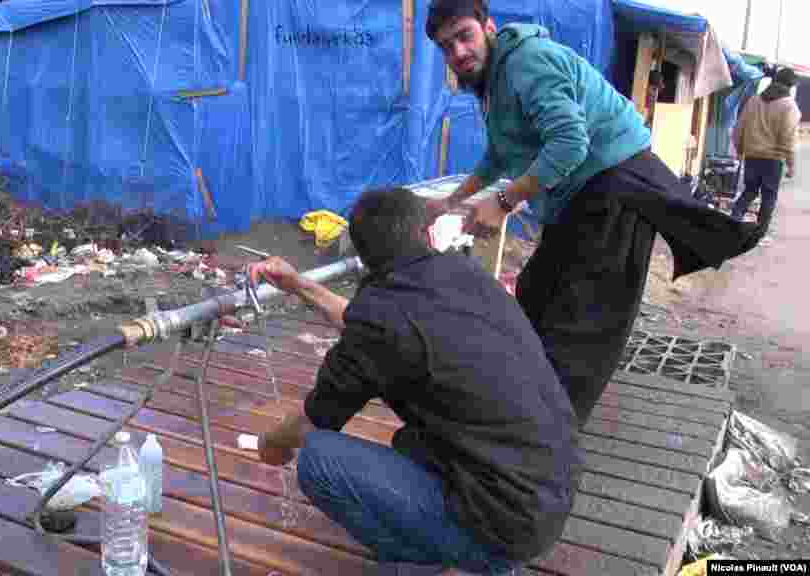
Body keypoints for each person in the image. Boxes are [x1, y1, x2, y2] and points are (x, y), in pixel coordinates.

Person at [422, 0, 763, 423]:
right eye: (445, 46)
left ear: (488, 27)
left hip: (614, 189)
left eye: (464, 36)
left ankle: (546, 442)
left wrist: (505, 201)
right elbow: (499, 154)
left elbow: (569, 144)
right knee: (536, 299)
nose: (457, 53)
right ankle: (519, 409)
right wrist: (451, 202)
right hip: (579, 196)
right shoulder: (493, 82)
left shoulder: (528, 62)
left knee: (580, 329)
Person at [248, 186, 582, 575]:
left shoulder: (383, 316)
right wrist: (299, 284)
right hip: (551, 487)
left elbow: (305, 428)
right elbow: (370, 324)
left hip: (506, 526)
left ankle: (432, 563)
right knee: (406, 442)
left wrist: (267, 447)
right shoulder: (463, 273)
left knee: (319, 459)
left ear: (363, 255)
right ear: (425, 235)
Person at [730, 66, 802, 233]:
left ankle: (733, 222)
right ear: (791, 86)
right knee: (769, 197)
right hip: (773, 159)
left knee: (749, 191)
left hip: (752, 156)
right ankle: (759, 232)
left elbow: (739, 128)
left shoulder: (754, 100)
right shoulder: (789, 106)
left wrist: (740, 150)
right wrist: (791, 165)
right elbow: (789, 138)